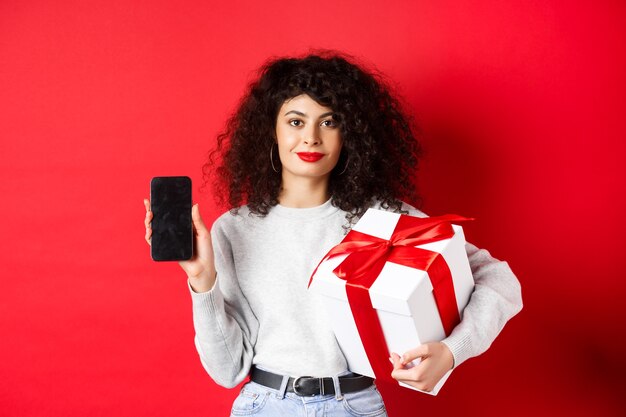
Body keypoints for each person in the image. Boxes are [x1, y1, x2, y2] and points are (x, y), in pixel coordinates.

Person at [143, 51, 523, 417]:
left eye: (329, 122)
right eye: (295, 121)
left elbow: (499, 280)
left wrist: (452, 351)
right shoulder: (233, 229)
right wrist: (203, 282)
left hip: (354, 406)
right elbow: (226, 370)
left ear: (350, 135)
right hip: (265, 406)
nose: (311, 138)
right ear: (270, 131)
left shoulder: (383, 220)